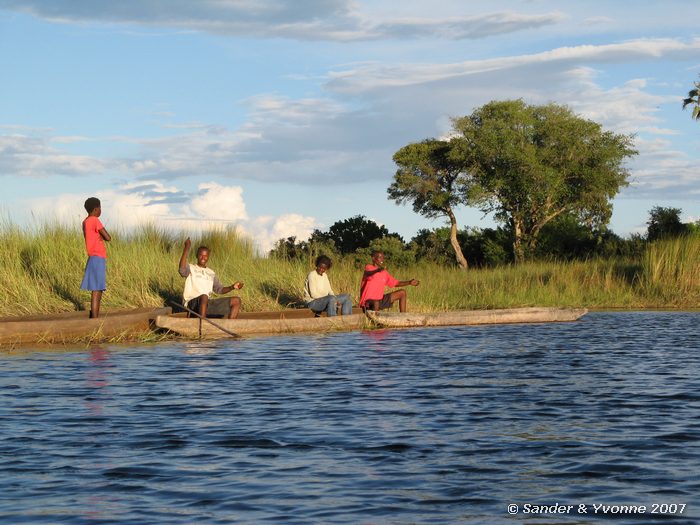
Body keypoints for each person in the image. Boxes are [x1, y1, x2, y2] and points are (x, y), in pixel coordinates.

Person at [178, 238, 243, 319]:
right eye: (201, 255)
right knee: (204, 297)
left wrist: (232, 287)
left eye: (205, 255)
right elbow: (182, 270)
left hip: (206, 304)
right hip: (192, 304)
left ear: (208, 257)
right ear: (197, 256)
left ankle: (229, 327)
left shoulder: (211, 273)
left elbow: (219, 289)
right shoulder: (191, 268)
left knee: (236, 300)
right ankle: (202, 326)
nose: (203, 257)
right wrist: (187, 248)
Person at [80, 197, 111, 318]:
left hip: (92, 257)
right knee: (97, 290)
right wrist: (102, 237)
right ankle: (95, 320)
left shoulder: (85, 222)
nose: (101, 210)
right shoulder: (95, 220)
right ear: (96, 209)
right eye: (100, 208)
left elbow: (89, 236)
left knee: (95, 289)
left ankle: (94, 317)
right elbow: (108, 237)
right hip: (98, 257)